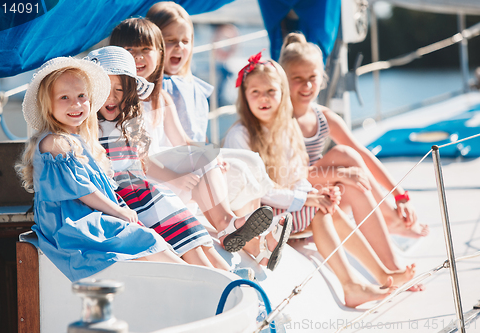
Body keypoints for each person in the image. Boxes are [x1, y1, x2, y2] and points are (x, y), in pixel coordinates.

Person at [224, 52, 424, 306]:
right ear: (244, 96)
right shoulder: (240, 135)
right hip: (258, 212)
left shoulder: (285, 129)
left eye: (271, 92)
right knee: (321, 210)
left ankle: (381, 274)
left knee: (327, 207)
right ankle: (353, 285)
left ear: (282, 94)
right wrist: (308, 198)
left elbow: (296, 175)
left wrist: (318, 195)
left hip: (283, 203)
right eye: (255, 93)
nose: (264, 99)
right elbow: (260, 188)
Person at [109, 17, 291, 271]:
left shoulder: (159, 96)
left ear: (158, 54)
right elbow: (134, 160)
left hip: (163, 170)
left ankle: (250, 240)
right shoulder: (117, 102)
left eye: (145, 50)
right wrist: (177, 174)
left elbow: (183, 141)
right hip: (145, 180)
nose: (138, 57)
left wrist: (212, 156)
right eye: (130, 51)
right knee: (202, 158)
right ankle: (228, 226)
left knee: (227, 156)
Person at [15, 56, 184, 282]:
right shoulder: (55, 143)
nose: (75, 104)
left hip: (85, 215)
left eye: (81, 96)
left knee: (146, 234)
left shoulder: (76, 140)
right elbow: (83, 190)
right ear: (48, 104)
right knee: (141, 236)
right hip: (69, 224)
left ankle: (193, 276)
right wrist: (118, 211)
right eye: (64, 97)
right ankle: (198, 278)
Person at [87, 45, 235, 271]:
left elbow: (142, 163)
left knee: (200, 241)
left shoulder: (127, 123)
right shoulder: (90, 128)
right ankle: (221, 280)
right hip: (125, 198)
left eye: (120, 89)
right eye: (105, 88)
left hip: (144, 193)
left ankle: (232, 275)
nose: (112, 97)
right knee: (191, 248)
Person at [278, 32, 429, 241]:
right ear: (284, 80)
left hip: (320, 192)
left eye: (312, 78)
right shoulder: (279, 120)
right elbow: (285, 174)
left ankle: (389, 218)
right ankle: (391, 219)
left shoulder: (324, 117)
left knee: (351, 158)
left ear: (322, 77)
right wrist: (341, 172)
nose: (307, 86)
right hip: (293, 199)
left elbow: (363, 157)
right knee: (344, 156)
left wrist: (400, 195)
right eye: (298, 79)